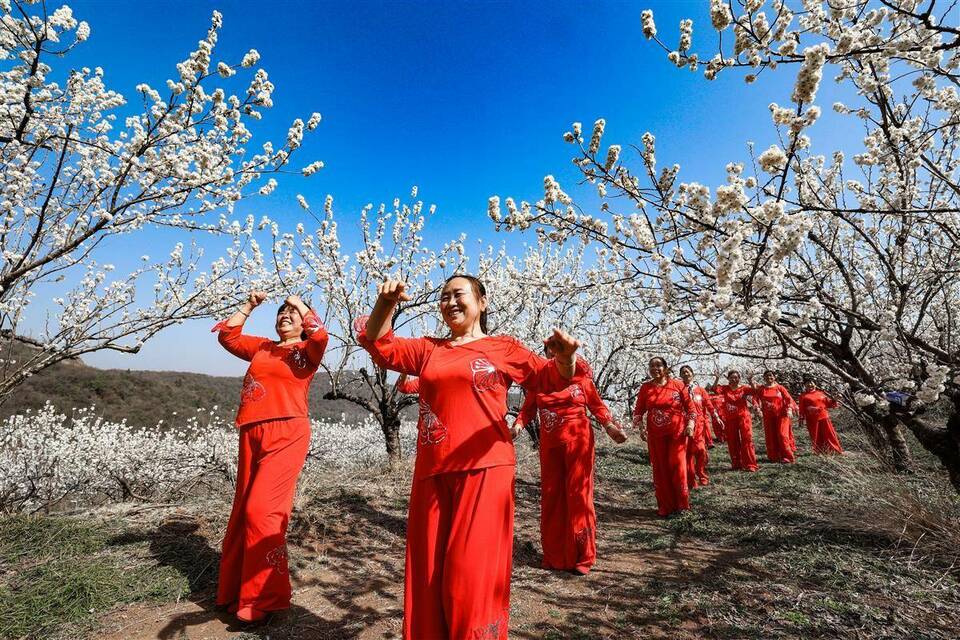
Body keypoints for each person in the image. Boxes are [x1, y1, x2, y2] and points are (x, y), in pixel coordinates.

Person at [357, 275, 586, 640]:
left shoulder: (504, 348)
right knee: (429, 575)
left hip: (485, 470)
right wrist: (386, 303)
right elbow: (379, 345)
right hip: (432, 472)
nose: (449, 302)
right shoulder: (429, 349)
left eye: (457, 294)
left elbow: (550, 380)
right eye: (443, 296)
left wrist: (566, 358)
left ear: (482, 302)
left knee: (469, 575)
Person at [212, 292, 328, 623]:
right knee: (242, 512)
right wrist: (248, 306)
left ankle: (266, 595)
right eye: (281, 312)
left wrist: (298, 301)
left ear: (303, 321)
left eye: (292, 313)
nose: (285, 315)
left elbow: (321, 333)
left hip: (287, 433)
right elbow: (228, 337)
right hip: (251, 431)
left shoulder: (308, 352)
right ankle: (237, 591)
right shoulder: (263, 347)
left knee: (262, 510)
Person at [513, 348, 627, 575]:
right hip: (550, 445)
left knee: (578, 495)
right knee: (552, 495)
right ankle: (554, 555)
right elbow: (527, 411)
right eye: (550, 351)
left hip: (578, 441)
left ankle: (583, 555)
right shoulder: (539, 381)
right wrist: (517, 426)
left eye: (560, 351)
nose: (556, 355)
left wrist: (610, 426)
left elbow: (596, 405)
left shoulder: (581, 378)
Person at [633, 357, 696, 516]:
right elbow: (638, 411)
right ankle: (665, 507)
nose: (655, 368)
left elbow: (691, 409)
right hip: (655, 436)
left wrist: (690, 425)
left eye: (659, 365)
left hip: (678, 434)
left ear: (666, 368)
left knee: (677, 465)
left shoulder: (678, 385)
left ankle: (682, 505)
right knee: (660, 469)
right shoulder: (645, 388)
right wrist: (641, 428)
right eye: (652, 365)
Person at [679, 365, 720, 488]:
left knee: (701, 450)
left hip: (700, 425)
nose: (686, 374)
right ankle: (691, 480)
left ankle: (702, 474)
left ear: (692, 373)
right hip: (683, 425)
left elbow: (708, 405)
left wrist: (716, 416)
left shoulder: (701, 390)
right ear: (680, 376)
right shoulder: (679, 390)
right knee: (688, 453)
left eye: (688, 372)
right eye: (683, 373)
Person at [713, 370, 759, 472]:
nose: (734, 379)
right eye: (731, 377)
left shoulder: (744, 388)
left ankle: (750, 464)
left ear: (739, 378)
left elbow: (755, 391)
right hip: (730, 418)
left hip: (744, 417)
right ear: (728, 379)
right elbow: (714, 389)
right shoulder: (725, 388)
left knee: (747, 439)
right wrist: (716, 378)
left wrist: (751, 380)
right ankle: (736, 463)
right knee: (733, 441)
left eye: (736, 377)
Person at [751, 370, 798, 463]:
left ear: (774, 377)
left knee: (782, 435)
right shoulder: (762, 389)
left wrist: (789, 409)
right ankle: (774, 456)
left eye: (771, 376)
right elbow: (755, 399)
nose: (769, 377)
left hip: (782, 415)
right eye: (767, 376)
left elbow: (788, 399)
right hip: (768, 416)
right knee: (771, 436)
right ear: (764, 378)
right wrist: (757, 408)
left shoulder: (780, 388)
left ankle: (788, 456)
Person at [798, 375, 844, 454]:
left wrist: (835, 399)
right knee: (816, 435)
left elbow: (828, 404)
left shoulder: (821, 393)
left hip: (824, 417)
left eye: (811, 383)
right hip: (812, 419)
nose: (810, 385)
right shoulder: (803, 396)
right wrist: (801, 419)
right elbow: (801, 409)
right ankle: (820, 451)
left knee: (830, 434)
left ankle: (835, 449)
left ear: (815, 384)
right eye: (807, 384)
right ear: (804, 385)